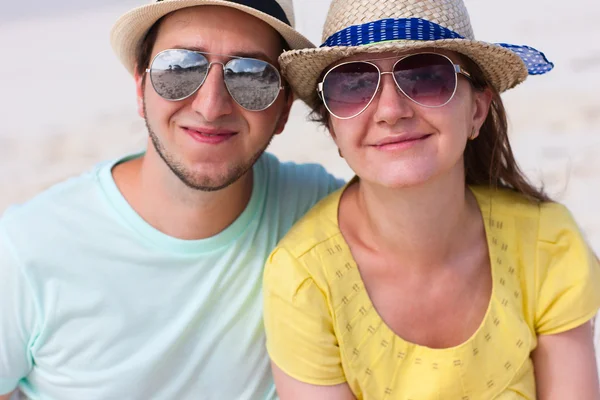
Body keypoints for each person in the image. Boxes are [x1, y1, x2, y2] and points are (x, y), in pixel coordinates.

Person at [0, 1, 345, 399]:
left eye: (252, 76)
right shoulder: (27, 251)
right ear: (139, 86)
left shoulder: (325, 215)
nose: (211, 105)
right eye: (180, 68)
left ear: (283, 109)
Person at [263, 0, 600, 399]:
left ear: (476, 110)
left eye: (425, 76)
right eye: (353, 84)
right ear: (334, 130)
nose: (390, 110)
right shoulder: (304, 282)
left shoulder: (548, 244)